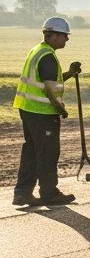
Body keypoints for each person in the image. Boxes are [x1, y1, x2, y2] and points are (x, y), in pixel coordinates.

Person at [12, 17, 80, 206]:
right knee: (48, 153)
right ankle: (49, 193)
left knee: (32, 151)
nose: (67, 39)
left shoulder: (38, 51)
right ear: (54, 35)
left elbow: (47, 82)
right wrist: (61, 110)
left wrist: (69, 73)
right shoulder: (48, 56)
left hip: (28, 109)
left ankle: (22, 193)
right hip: (43, 113)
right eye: (64, 35)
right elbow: (50, 90)